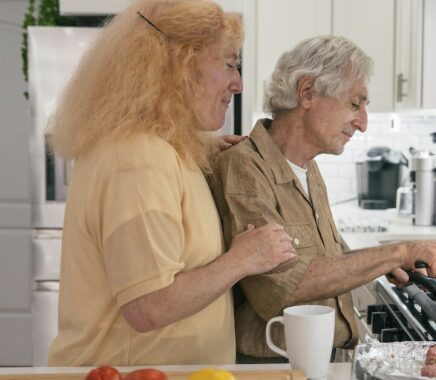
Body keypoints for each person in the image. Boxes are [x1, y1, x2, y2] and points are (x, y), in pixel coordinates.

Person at [46, 0, 296, 366]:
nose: (238, 83)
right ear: (177, 65)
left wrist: (200, 150)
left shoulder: (159, 146)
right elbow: (148, 305)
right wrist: (243, 259)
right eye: (228, 63)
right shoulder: (138, 158)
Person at [210, 36, 436, 362]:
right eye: (355, 104)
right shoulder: (245, 166)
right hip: (278, 365)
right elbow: (283, 287)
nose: (364, 122)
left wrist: (393, 261)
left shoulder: (306, 166)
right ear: (308, 93)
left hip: (319, 357)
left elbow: (328, 256)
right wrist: (399, 250)